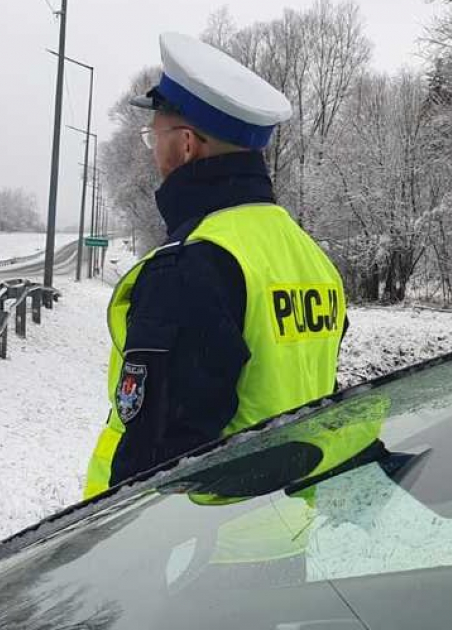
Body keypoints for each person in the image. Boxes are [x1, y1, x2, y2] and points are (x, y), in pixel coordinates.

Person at [84, 32, 348, 499]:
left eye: (155, 135)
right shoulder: (310, 257)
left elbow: (155, 465)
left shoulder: (193, 263)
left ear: (186, 146)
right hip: (284, 533)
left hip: (201, 551)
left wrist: (98, 551)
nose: (152, 150)